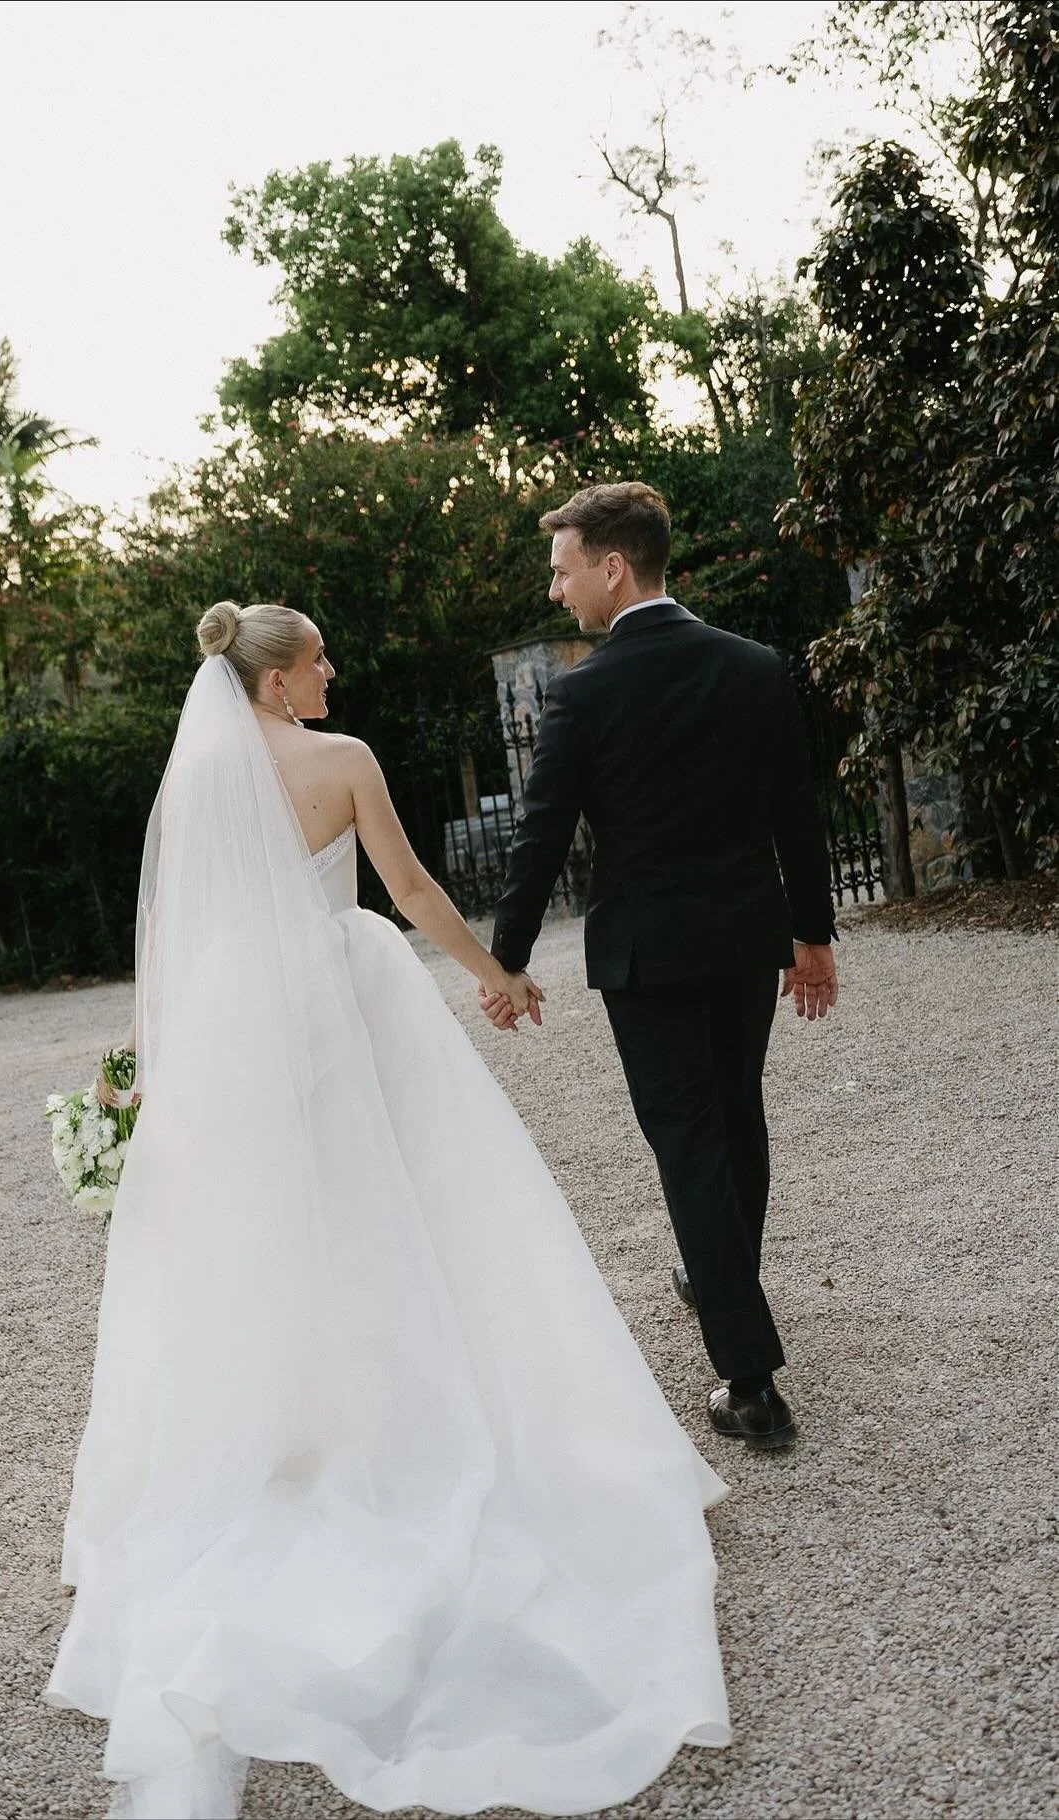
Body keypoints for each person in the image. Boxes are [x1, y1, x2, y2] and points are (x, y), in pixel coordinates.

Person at [43, 599, 732, 1819]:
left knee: (269, 1230)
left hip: (231, 1021)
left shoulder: (197, 776)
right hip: (337, 996)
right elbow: (407, 885)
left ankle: (291, 1421)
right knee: (397, 1205)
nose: (332, 670)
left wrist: (143, 1069)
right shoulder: (342, 760)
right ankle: (401, 1410)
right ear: (274, 680)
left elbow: (166, 929)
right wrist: (497, 975)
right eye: (318, 657)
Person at [485, 481, 839, 1454]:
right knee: (735, 1116)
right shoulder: (754, 666)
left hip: (647, 955)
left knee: (688, 1139)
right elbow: (794, 813)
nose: (556, 592)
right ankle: (720, 1273)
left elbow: (540, 837)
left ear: (613, 566)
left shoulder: (584, 692)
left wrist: (505, 958)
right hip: (741, 940)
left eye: (563, 571)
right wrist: (813, 931)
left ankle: (750, 1382)